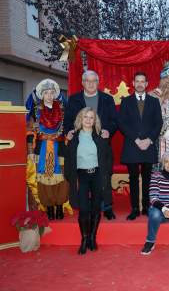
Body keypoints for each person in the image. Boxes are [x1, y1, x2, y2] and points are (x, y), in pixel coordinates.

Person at [64, 70, 118, 220]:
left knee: (105, 174)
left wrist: (109, 130)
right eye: (87, 81)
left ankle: (107, 207)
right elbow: (68, 121)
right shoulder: (74, 100)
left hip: (101, 143)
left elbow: (114, 120)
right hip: (81, 142)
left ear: (98, 82)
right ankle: (83, 205)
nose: (91, 83)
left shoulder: (107, 99)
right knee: (83, 178)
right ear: (82, 82)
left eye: (94, 81)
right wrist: (68, 132)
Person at [64, 108, 112, 255]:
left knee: (96, 207)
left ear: (94, 120)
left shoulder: (100, 136)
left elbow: (108, 157)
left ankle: (92, 237)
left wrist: (107, 174)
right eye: (86, 117)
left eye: (91, 118)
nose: (88, 120)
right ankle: (84, 239)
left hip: (97, 174)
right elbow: (68, 159)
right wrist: (70, 177)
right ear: (80, 119)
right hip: (81, 176)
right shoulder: (73, 138)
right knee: (84, 209)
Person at [118, 72, 163, 220]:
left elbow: (158, 123)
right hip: (132, 145)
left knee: (147, 178)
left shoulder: (154, 101)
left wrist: (149, 140)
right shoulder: (126, 101)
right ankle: (135, 209)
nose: (139, 84)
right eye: (137, 81)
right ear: (133, 83)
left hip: (148, 145)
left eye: (142, 81)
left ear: (147, 84)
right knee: (133, 178)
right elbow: (122, 123)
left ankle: (146, 207)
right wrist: (137, 140)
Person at [26, 78, 68, 220]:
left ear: (55, 94)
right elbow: (30, 132)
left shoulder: (63, 110)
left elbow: (68, 129)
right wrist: (31, 151)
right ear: (41, 95)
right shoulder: (36, 112)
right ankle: (49, 208)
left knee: (61, 179)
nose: (49, 95)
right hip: (42, 149)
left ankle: (59, 207)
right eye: (46, 93)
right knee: (44, 179)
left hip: (59, 149)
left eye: (52, 92)